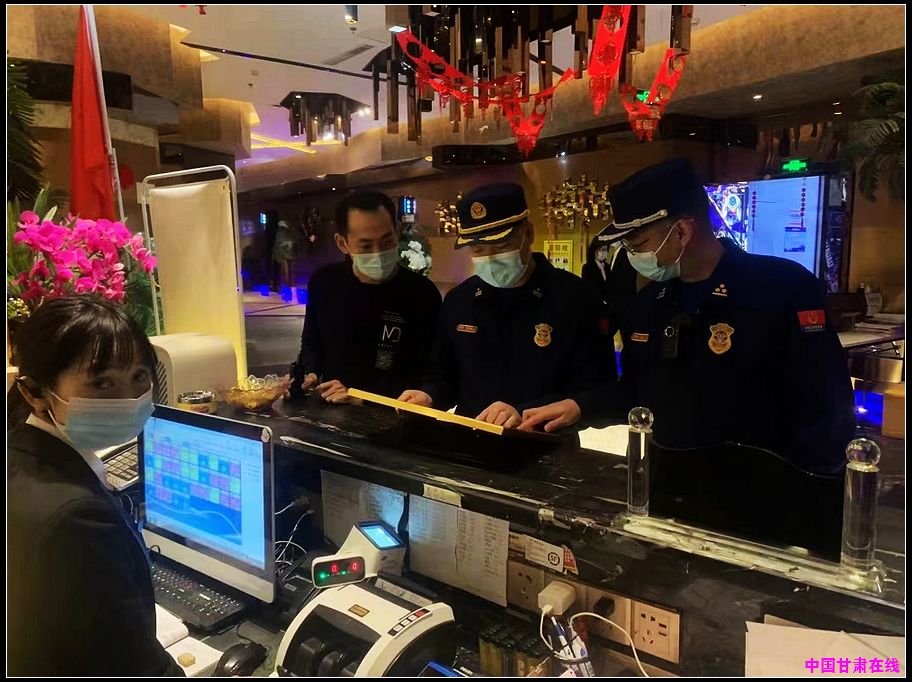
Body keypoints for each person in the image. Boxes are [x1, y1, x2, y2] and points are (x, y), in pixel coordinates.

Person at [534, 158, 855, 474]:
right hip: (668, 482)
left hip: (760, 486)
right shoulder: (649, 303)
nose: (632, 255)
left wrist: (812, 487)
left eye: (638, 244)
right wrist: (579, 406)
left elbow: (826, 409)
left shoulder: (781, 289)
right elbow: (634, 391)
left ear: (682, 232)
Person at [7, 296, 184, 676]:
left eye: (139, 377)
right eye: (101, 383)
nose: (129, 399)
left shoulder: (21, 456)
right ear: (34, 393)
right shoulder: (77, 519)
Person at [399, 183, 615, 431]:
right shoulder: (460, 300)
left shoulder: (577, 298)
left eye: (501, 247)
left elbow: (597, 390)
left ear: (528, 234)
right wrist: (429, 396)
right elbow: (443, 375)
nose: (490, 258)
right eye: (478, 250)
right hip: (468, 439)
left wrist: (525, 412)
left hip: (545, 443)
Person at [290, 190, 441, 403]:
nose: (378, 252)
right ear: (342, 243)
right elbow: (312, 340)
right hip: (332, 405)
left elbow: (427, 370)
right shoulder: (325, 282)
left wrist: (360, 396)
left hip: (395, 410)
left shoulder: (422, 293)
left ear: (397, 231)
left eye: (386, 241)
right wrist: (310, 373)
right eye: (366, 246)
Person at [580, 237, 611, 304]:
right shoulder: (587, 267)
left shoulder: (608, 267)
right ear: (595, 251)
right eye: (601, 250)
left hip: (608, 303)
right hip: (594, 302)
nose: (604, 253)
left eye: (606, 250)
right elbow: (587, 288)